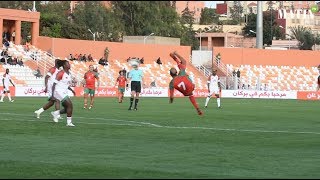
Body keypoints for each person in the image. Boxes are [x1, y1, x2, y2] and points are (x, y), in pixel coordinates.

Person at [168, 51, 203, 116]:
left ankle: (197, 108)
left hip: (186, 93)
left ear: (170, 74)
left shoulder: (171, 83)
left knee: (190, 95)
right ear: (176, 72)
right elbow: (184, 61)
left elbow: (171, 95)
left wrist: (171, 100)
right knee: (185, 73)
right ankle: (175, 58)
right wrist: (176, 53)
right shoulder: (181, 73)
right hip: (192, 86)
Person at [51, 60, 76, 127]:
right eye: (68, 63)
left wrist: (72, 90)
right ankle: (69, 122)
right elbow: (54, 84)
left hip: (64, 92)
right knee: (70, 105)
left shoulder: (69, 74)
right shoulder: (60, 73)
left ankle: (56, 113)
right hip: (59, 91)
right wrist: (53, 95)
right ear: (64, 65)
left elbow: (66, 85)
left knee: (67, 108)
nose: (69, 65)